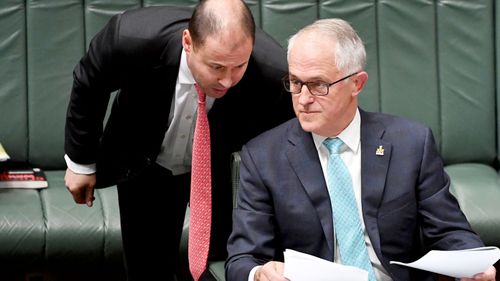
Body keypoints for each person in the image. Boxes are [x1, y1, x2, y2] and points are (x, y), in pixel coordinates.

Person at [225, 18, 496, 281]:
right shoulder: (263, 157)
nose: (304, 99)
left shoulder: (411, 143)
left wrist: (473, 264)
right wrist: (259, 274)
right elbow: (242, 259)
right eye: (296, 83)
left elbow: (450, 232)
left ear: (357, 83)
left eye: (319, 85)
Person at [63, 0, 294, 280]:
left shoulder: (273, 73)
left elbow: (285, 145)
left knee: (226, 266)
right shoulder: (131, 38)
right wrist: (81, 162)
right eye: (216, 66)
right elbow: (90, 82)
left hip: (220, 173)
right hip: (146, 163)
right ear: (188, 42)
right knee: (147, 270)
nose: (227, 81)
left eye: (238, 67)